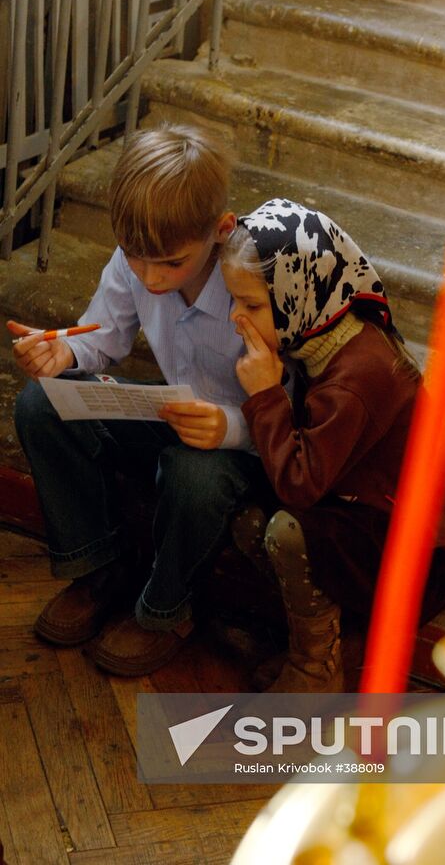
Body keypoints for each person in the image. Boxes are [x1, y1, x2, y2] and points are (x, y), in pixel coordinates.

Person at [10, 124, 273, 676]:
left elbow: (292, 412)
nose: (151, 278)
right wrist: (63, 358)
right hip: (173, 412)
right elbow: (103, 336)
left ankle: (166, 609)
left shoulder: (253, 281)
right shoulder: (140, 258)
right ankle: (99, 567)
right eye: (135, 257)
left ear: (221, 231)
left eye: (171, 263)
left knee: (194, 472)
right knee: (41, 404)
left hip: (244, 441)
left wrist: (227, 427)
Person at [221, 198, 445, 692]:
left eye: (250, 304)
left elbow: (300, 484)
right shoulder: (321, 337)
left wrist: (266, 395)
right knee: (249, 517)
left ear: (300, 293)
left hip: (418, 544)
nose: (235, 318)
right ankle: (332, 648)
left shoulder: (357, 376)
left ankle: (315, 670)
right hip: (362, 506)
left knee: (287, 530)